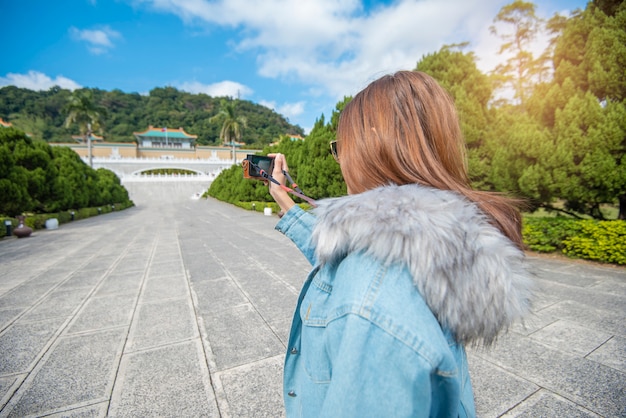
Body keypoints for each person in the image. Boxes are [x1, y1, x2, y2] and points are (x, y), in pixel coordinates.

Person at [268, 70, 533, 418]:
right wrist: (284, 200)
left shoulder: (371, 298)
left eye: (340, 148)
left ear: (375, 142)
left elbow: (365, 278)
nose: (341, 160)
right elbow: (349, 251)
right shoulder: (440, 240)